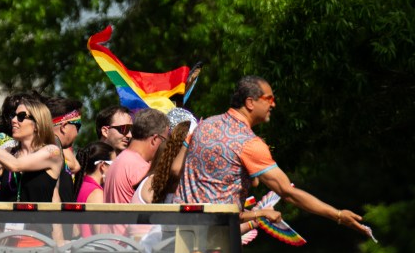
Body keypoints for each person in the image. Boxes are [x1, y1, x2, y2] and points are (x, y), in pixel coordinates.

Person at [174, 75, 367, 235]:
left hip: (177, 227)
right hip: (213, 238)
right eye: (269, 99)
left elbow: (176, 169)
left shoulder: (204, 125)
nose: (273, 105)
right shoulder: (249, 144)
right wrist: (339, 215)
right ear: (250, 102)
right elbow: (288, 193)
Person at [103, 108, 170, 204]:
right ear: (155, 139)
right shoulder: (141, 169)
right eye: (163, 140)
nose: (164, 145)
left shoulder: (118, 160)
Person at [44, 96, 83, 202]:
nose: (77, 133)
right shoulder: (51, 152)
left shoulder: (56, 150)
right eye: (78, 127)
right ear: (64, 126)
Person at [73, 141, 115, 238]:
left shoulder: (80, 185)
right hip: (93, 250)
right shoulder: (96, 193)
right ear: (103, 166)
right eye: (115, 163)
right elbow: (101, 233)